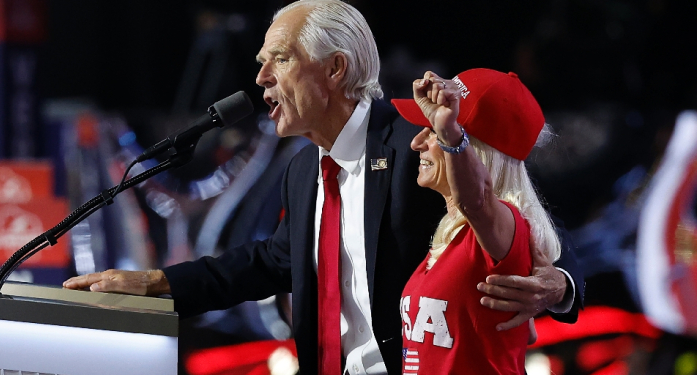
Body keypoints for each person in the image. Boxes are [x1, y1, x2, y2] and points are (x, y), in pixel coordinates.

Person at [63, 1, 583, 373]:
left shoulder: (417, 145)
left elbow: (517, 208)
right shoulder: (301, 171)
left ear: (335, 69)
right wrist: (156, 284)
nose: (262, 76)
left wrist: (560, 282)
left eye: (281, 59)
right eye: (263, 61)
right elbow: (272, 262)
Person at [392, 68, 562, 374]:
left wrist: (448, 132)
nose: (417, 143)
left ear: (477, 150)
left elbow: (478, 200)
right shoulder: (454, 241)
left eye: (430, 131)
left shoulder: (507, 226)